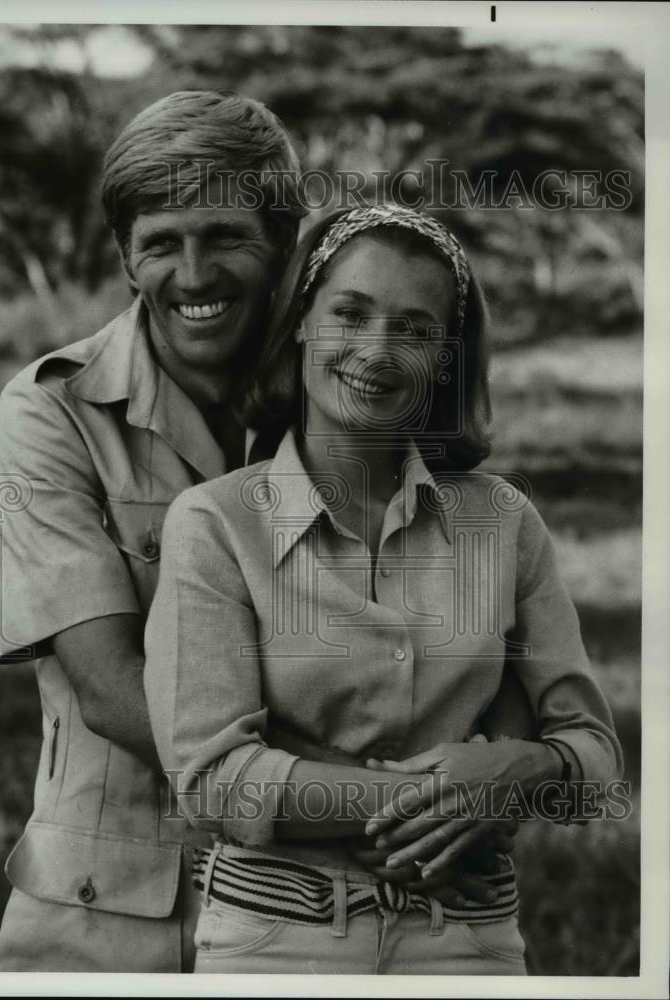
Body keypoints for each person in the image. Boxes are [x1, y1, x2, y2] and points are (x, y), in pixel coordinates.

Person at [143, 204, 623, 975]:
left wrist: (522, 770)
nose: (375, 349)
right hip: (275, 942)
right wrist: (454, 798)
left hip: (469, 936)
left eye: (414, 328)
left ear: (443, 357)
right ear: (300, 319)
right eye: (350, 313)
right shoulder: (217, 523)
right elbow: (211, 781)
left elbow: (592, 760)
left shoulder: (501, 522)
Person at [0, 90, 307, 972]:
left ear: (282, 243)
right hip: (104, 915)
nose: (193, 276)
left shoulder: (343, 400)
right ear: (126, 258)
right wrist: (367, 789)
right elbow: (110, 688)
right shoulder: (51, 409)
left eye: (226, 237)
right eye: (161, 243)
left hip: (319, 906)